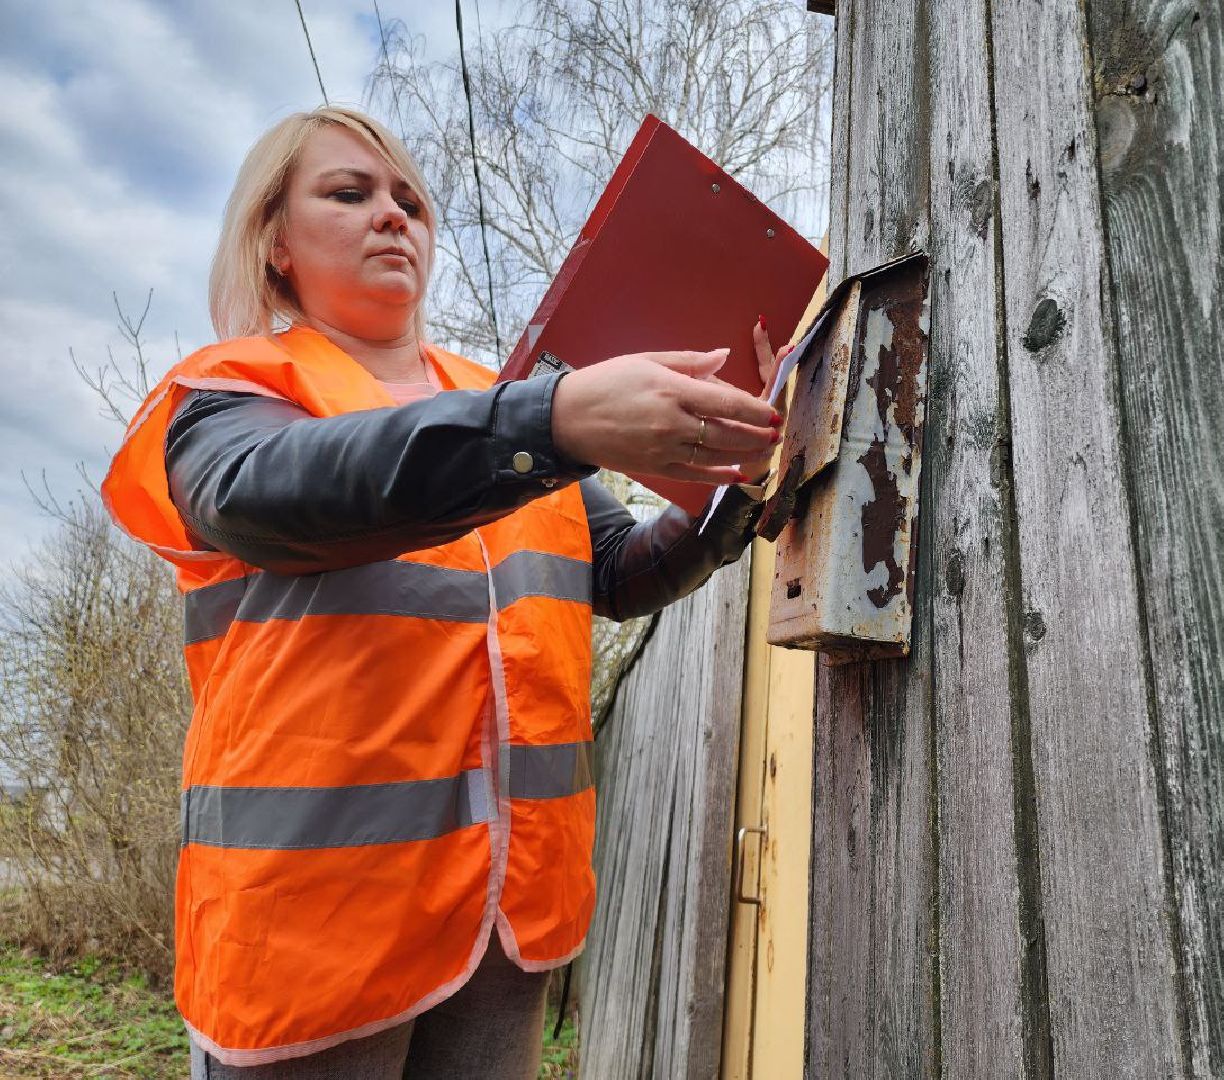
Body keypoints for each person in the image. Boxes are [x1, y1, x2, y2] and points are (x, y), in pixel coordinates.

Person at [102, 105, 791, 1079]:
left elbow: (622, 571)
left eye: (412, 201)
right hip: (311, 931)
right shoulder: (227, 393)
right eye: (350, 193)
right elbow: (269, 496)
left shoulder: (500, 403)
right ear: (274, 242)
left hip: (507, 921)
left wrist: (737, 483)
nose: (395, 216)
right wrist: (552, 419)